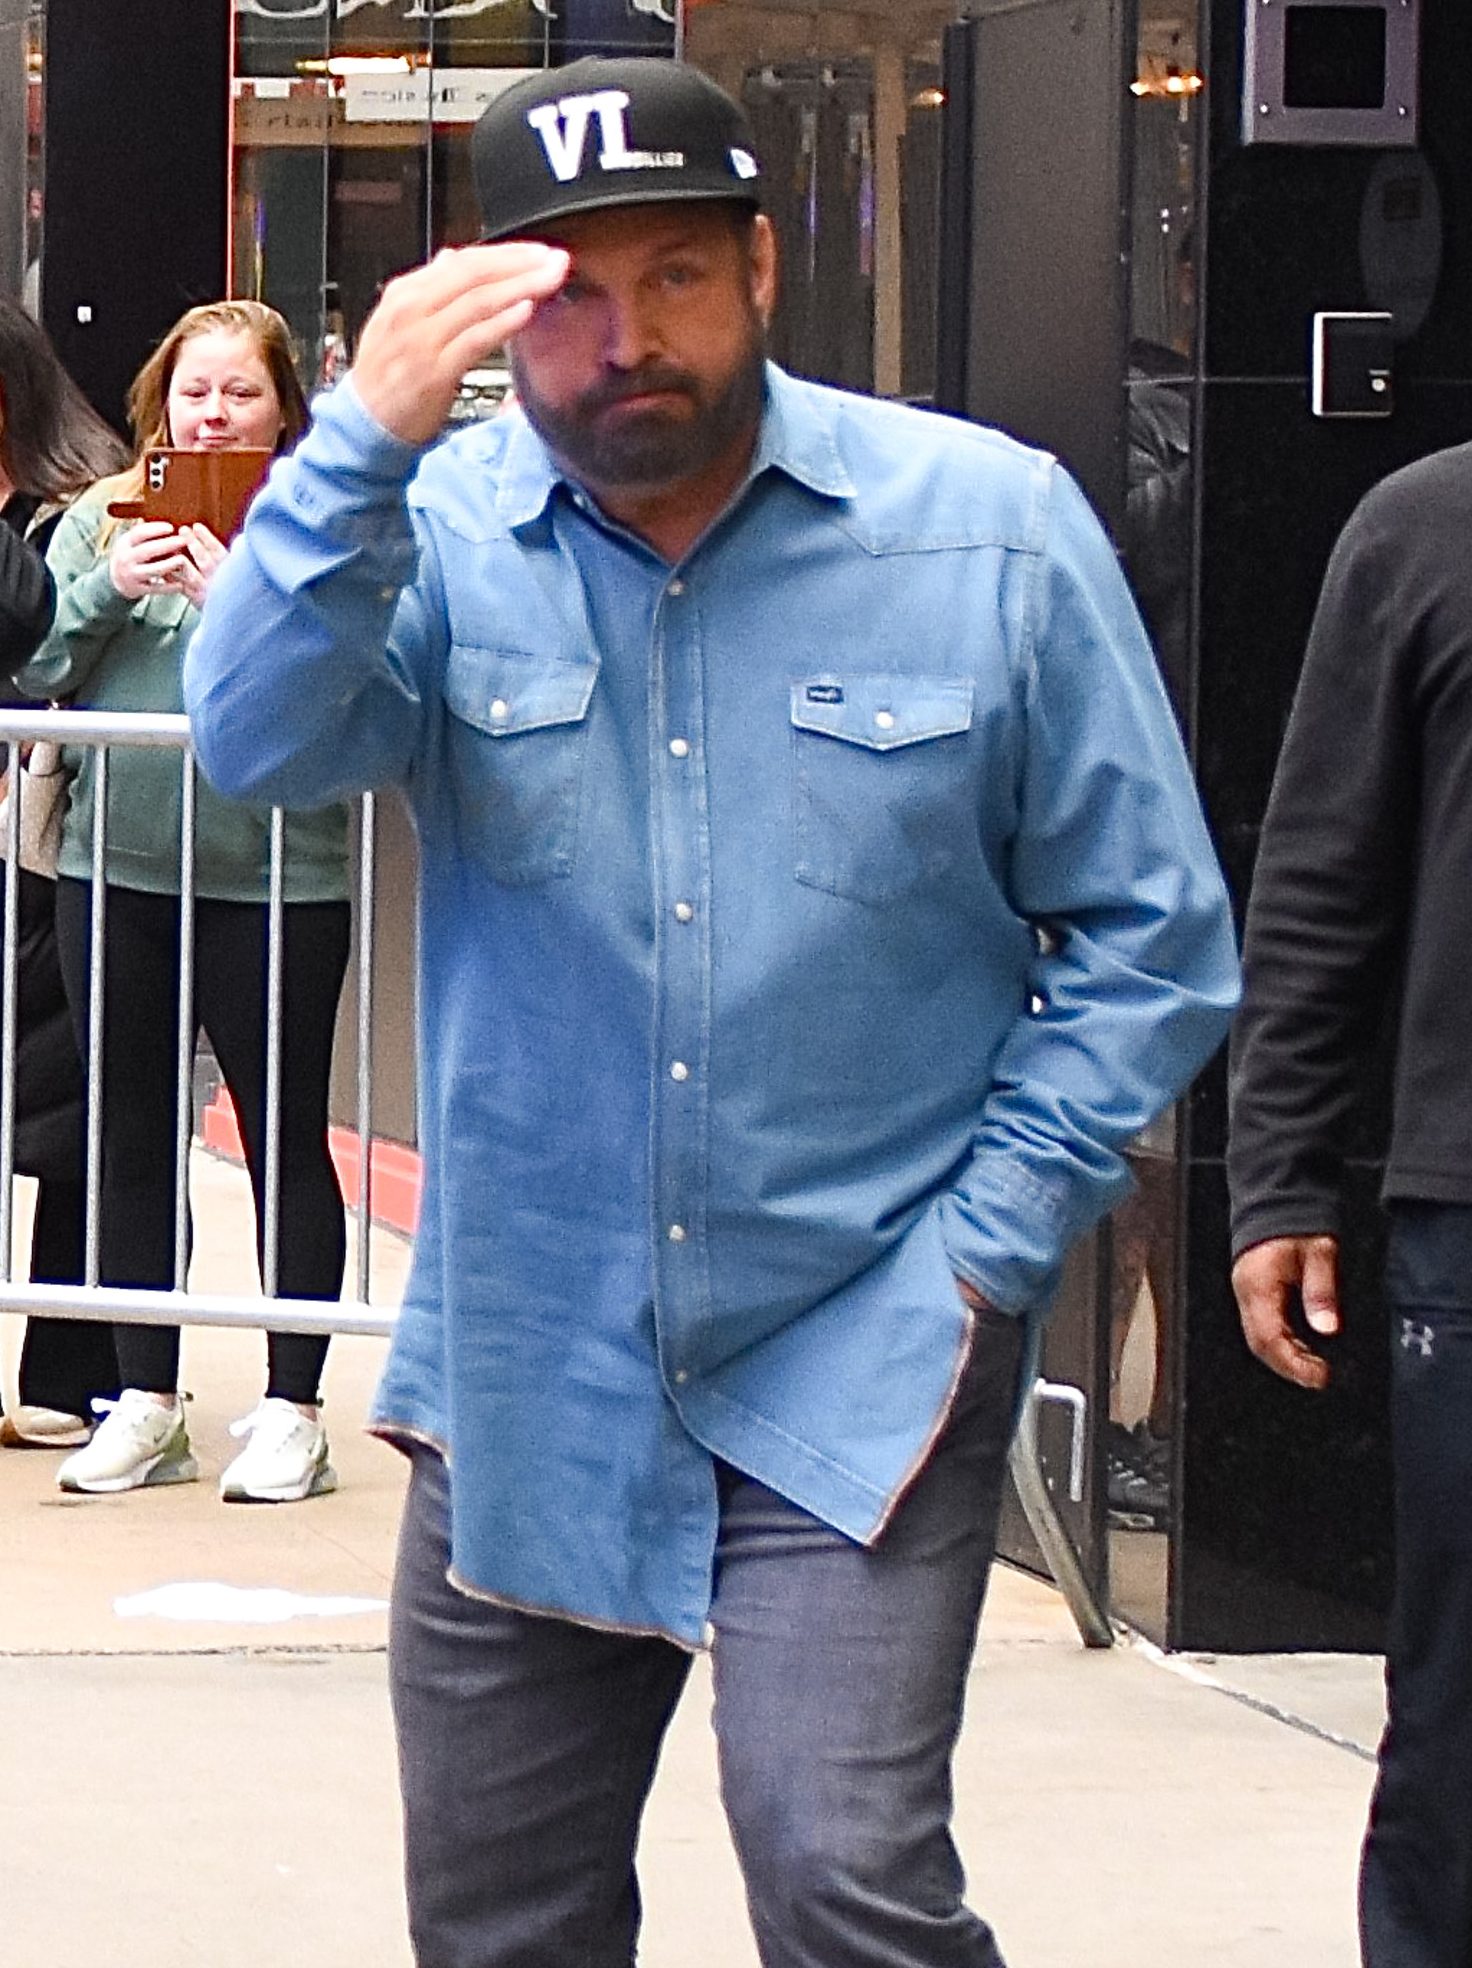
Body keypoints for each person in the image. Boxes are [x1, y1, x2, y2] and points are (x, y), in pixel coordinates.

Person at [187, 58, 1239, 1968]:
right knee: (500, 1917)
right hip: (533, 1365)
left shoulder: (985, 531)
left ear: (761, 265)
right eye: (566, 295)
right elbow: (254, 745)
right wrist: (350, 451)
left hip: (862, 1342)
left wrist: (988, 1243)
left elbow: (1151, 933)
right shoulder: (436, 534)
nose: (626, 340)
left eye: (673, 274)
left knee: (844, 1876)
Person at [17, 300, 352, 1503]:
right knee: (127, 1134)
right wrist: (111, 583)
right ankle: (143, 1399)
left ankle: (293, 1407)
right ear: (160, 402)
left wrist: (240, 601)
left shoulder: (320, 520)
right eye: (194, 392)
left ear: (281, 410)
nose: (213, 414)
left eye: (240, 393)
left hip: (282, 876)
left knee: (284, 1135)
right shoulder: (103, 514)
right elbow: (38, 661)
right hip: (118, 870)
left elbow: (353, 681)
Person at [1228, 445, 1472, 1968]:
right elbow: (1323, 872)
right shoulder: (1426, 528)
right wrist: (1278, 1175)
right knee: (1457, 1711)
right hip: (1466, 1216)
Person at [0, 296, 125, 1447]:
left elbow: (52, 654)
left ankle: (75, 1375)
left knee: (79, 1109)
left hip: (53, 851)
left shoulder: (84, 510)